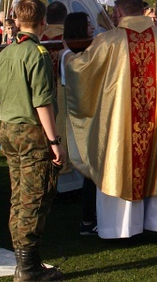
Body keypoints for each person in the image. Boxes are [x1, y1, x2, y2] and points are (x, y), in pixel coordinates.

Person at [65, 0, 157, 239]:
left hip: (123, 123)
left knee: (119, 163)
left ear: (119, 12)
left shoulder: (109, 40)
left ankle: (119, 229)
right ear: (142, 10)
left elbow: (82, 72)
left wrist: (68, 57)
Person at [0, 0, 65, 281]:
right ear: (43, 21)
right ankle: (28, 267)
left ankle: (25, 261)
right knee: (34, 198)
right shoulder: (36, 53)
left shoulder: (5, 53)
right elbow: (42, 102)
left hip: (9, 128)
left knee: (19, 196)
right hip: (31, 131)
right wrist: (54, 141)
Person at [59, 12, 98, 234]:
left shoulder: (76, 53)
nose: (92, 27)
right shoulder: (69, 57)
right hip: (82, 117)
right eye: (88, 24)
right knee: (90, 170)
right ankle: (87, 219)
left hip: (87, 115)